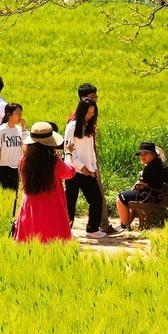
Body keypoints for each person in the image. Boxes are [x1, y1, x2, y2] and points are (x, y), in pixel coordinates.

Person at [13, 122, 76, 243]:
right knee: (53, 244)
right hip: (52, 208)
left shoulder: (23, 161)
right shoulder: (53, 162)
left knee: (29, 245)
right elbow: (70, 172)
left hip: (30, 208)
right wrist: (68, 153)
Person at [64, 95, 105, 235]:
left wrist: (94, 167)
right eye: (88, 112)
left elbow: (91, 150)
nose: (90, 115)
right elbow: (68, 149)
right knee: (70, 202)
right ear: (81, 111)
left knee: (96, 199)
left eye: (93, 113)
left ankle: (92, 228)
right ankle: (66, 230)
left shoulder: (89, 127)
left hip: (88, 170)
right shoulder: (72, 126)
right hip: (74, 171)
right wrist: (80, 166)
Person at [114, 141, 168, 230]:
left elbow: (141, 185)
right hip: (159, 196)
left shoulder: (151, 167)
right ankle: (127, 224)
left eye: (145, 154)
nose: (142, 156)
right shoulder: (162, 165)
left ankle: (124, 225)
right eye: (141, 154)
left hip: (151, 197)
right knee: (132, 196)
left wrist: (134, 188)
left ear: (153, 154)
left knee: (121, 197)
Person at [0, 102, 26, 190]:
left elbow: (25, 146)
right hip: (1, 168)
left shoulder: (20, 130)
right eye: (17, 113)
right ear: (9, 115)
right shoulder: (1, 130)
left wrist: (24, 129)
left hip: (15, 169)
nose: (20, 116)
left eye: (20, 113)